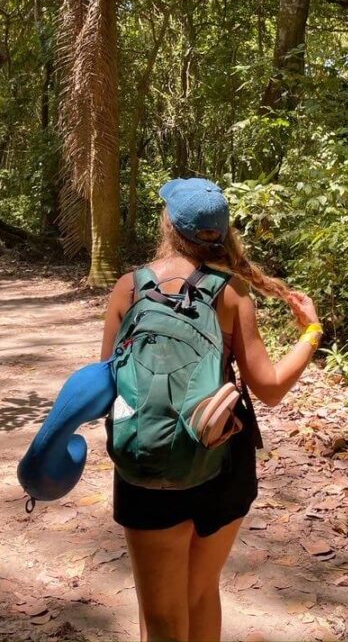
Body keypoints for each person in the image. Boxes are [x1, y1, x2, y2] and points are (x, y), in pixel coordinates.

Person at [100, 178, 322, 642]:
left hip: (147, 461)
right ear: (220, 235)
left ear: (167, 225)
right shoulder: (231, 291)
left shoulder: (128, 288)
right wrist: (311, 333)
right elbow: (270, 388)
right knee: (200, 594)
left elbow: (106, 383)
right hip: (222, 454)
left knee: (160, 617)